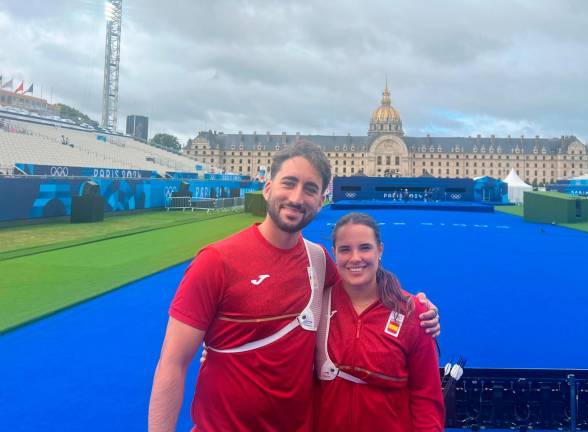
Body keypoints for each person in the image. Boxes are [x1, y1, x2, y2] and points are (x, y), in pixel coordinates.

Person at [148, 140, 440, 432]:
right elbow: (172, 364)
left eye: (311, 189)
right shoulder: (216, 261)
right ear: (267, 187)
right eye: (289, 183)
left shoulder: (319, 261)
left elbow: (362, 287)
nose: (298, 198)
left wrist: (416, 307)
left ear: (322, 199)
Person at [315, 212, 444, 431]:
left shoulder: (415, 311)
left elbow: (426, 396)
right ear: (334, 252)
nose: (355, 258)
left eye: (365, 247)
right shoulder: (316, 304)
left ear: (380, 251)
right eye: (345, 249)